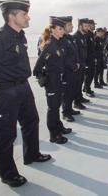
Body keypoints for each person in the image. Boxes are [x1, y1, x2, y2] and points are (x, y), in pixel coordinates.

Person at [0, 0, 51, 187]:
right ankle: (8, 174)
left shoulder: (20, 36)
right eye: (24, 14)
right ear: (12, 16)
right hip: (6, 92)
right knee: (5, 135)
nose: (28, 17)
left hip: (23, 88)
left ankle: (31, 154)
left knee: (31, 121)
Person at [34, 16, 72, 145]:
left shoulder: (58, 43)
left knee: (57, 106)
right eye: (60, 29)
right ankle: (53, 135)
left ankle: (59, 127)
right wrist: (43, 78)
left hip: (59, 80)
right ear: (53, 29)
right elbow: (37, 67)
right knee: (53, 108)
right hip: (52, 82)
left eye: (63, 28)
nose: (62, 31)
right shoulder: (50, 45)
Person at [59, 16, 81, 122]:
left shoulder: (70, 38)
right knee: (66, 93)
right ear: (63, 26)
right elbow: (64, 57)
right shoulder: (62, 39)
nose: (72, 26)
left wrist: (77, 63)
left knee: (72, 91)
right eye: (69, 24)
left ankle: (70, 109)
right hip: (67, 71)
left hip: (74, 70)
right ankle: (65, 113)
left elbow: (74, 53)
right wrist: (73, 66)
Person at [73, 18, 90, 110]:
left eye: (88, 26)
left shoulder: (83, 36)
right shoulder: (76, 37)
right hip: (78, 66)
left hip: (83, 64)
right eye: (85, 26)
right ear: (80, 26)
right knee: (77, 84)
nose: (87, 28)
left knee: (80, 83)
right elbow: (75, 53)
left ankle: (80, 98)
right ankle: (76, 102)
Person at [83, 19, 96, 98]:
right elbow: (86, 48)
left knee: (91, 74)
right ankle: (87, 89)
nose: (94, 26)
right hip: (88, 59)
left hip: (92, 58)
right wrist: (86, 60)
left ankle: (86, 87)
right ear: (90, 25)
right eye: (93, 24)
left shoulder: (91, 34)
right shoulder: (87, 35)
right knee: (89, 75)